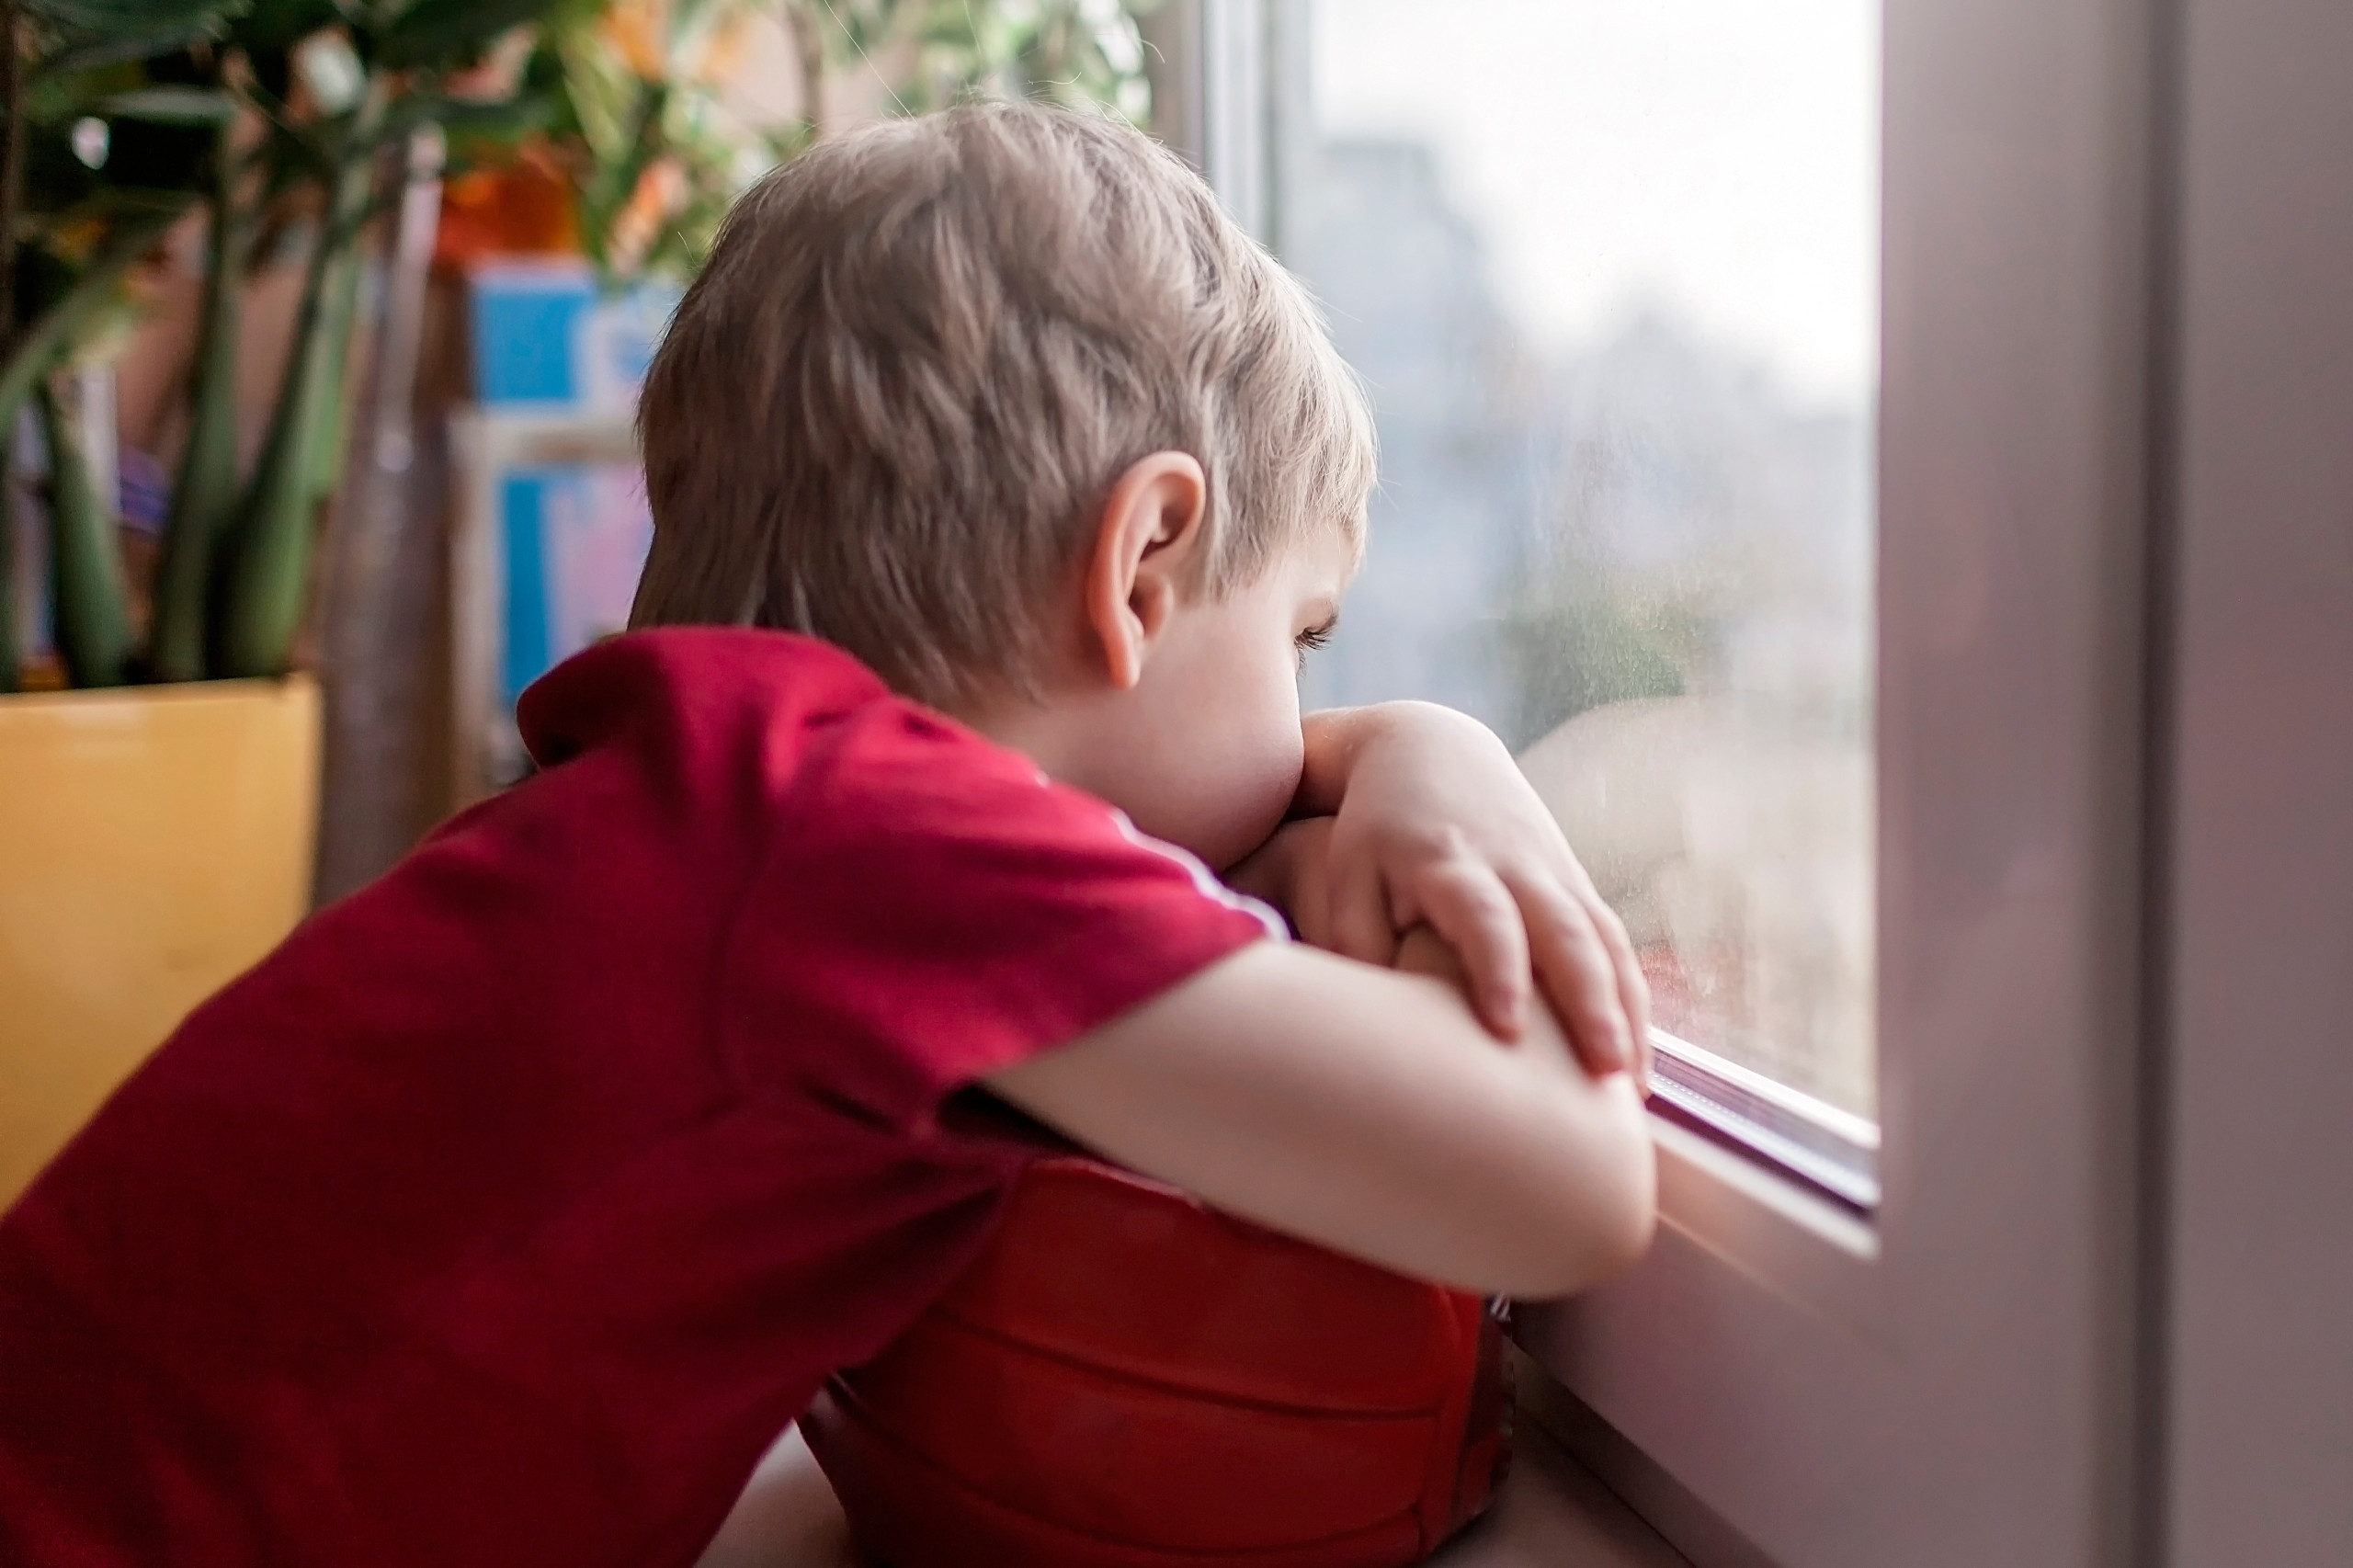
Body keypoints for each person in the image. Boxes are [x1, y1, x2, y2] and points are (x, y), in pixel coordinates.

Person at [0, 101, 1654, 1568]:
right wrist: (1444, 756)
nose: (1309, 738)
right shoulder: (880, 847)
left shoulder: (688, 797)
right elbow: (1569, 1189)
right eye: (1303, 644)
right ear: (1144, 564)